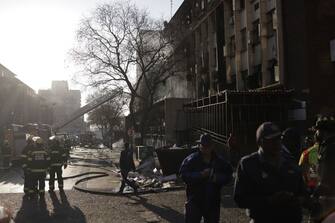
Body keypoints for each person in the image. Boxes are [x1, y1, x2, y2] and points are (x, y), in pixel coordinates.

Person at [234, 122, 306, 223]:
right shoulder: (248, 164)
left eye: (278, 138)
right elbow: (240, 199)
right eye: (271, 140)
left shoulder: (290, 163)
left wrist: (296, 199)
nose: (277, 143)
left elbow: (303, 193)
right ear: (260, 142)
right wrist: (269, 200)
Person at [180, 133, 233, 223]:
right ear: (199, 145)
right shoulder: (191, 159)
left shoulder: (220, 161)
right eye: (203, 145)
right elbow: (183, 175)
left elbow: (229, 177)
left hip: (213, 202)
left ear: (212, 146)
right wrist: (200, 175)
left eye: (208, 145)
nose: (205, 148)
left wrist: (217, 178)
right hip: (194, 201)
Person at [311, 115, 335, 222]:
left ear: (324, 131)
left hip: (329, 198)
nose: (316, 134)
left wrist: (313, 194)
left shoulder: (329, 148)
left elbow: (326, 176)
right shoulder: (326, 146)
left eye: (317, 131)